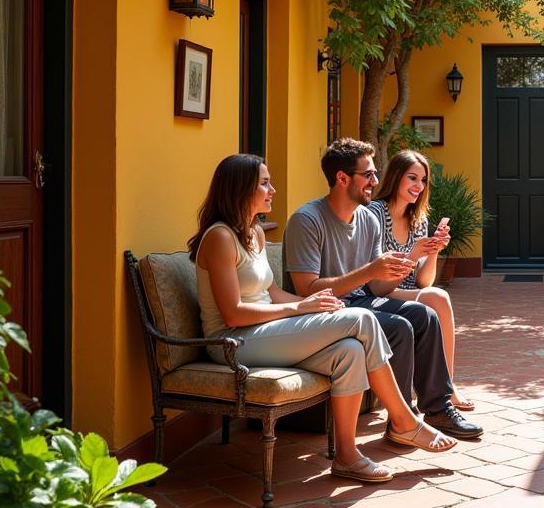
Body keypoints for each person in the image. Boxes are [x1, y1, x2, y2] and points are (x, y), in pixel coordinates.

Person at [190, 154, 457, 486]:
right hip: (232, 341)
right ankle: (403, 420)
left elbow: (271, 292)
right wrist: (300, 309)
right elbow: (233, 313)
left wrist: (312, 303)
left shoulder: (253, 233)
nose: (272, 189)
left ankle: (347, 456)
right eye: (264, 182)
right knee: (360, 319)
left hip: (263, 331)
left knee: (350, 350)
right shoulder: (219, 238)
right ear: (238, 189)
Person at [283, 138, 483, 440]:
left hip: (361, 302)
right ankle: (403, 420)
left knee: (424, 315)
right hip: (324, 310)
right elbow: (306, 289)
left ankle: (438, 408)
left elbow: (376, 286)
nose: (375, 182)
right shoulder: (307, 220)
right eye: (369, 175)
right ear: (342, 178)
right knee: (399, 326)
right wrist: (371, 270)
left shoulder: (366, 219)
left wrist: (407, 263)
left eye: (376, 174)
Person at [369, 149, 474, 412]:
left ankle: (446, 385)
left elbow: (423, 282)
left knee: (436, 295)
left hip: (404, 291)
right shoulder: (375, 213)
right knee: (438, 297)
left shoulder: (418, 218)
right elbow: (378, 276)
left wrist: (435, 249)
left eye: (423, 180)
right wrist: (413, 253)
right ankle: (446, 388)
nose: (419, 186)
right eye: (412, 178)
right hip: (379, 289)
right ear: (395, 178)